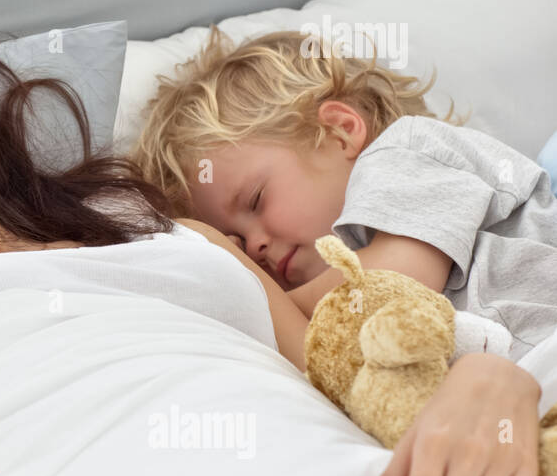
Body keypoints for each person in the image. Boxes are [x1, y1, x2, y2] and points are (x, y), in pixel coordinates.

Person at [129, 27, 557, 362]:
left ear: (339, 132)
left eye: (256, 200)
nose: (254, 246)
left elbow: (393, 284)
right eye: (236, 239)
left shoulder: (409, 151)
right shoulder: (338, 315)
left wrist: (251, 294)